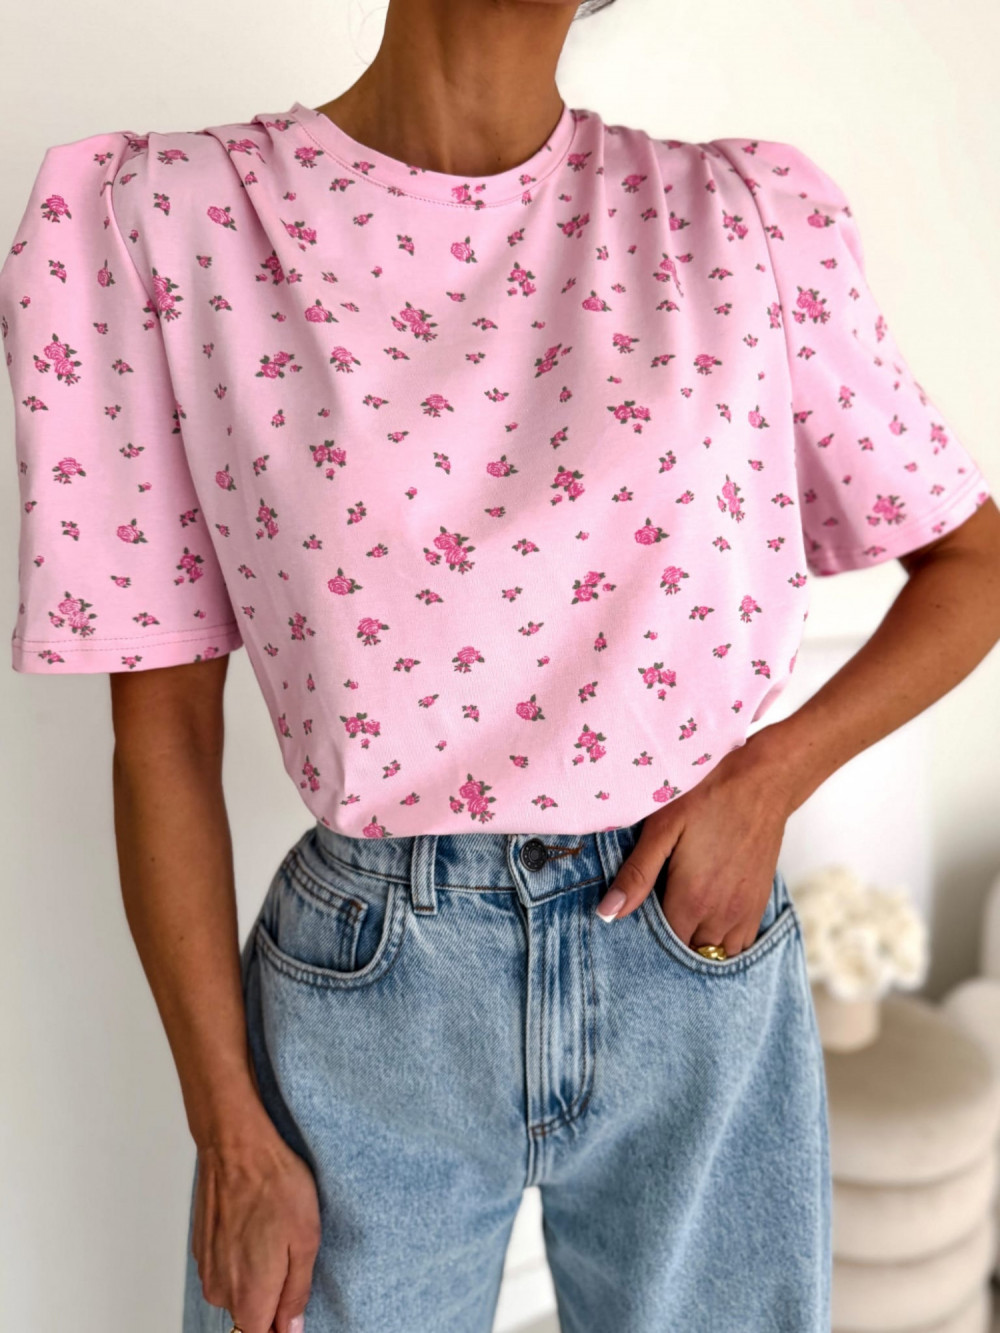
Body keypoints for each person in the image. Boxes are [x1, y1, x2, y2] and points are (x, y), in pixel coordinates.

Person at [3, 0, 998, 1329]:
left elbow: (973, 563)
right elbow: (164, 733)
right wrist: (227, 1127)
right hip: (368, 991)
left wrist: (768, 779)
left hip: (687, 942)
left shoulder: (741, 223)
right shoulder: (171, 223)